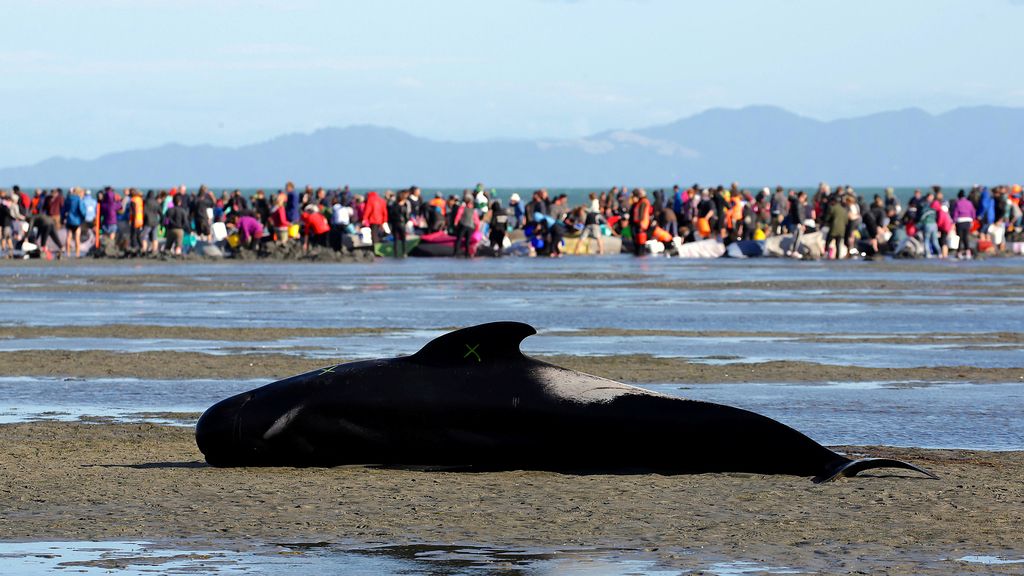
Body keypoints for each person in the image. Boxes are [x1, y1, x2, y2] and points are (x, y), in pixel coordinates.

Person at [387, 190, 411, 257]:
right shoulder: (403, 206)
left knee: (396, 239)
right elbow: (406, 216)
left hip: (395, 223)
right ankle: (404, 252)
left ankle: (396, 253)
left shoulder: (394, 205)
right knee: (403, 239)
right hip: (401, 223)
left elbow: (391, 215)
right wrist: (405, 221)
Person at [630, 188, 652, 255]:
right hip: (641, 222)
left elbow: (641, 213)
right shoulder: (641, 201)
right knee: (638, 238)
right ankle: (639, 252)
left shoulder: (643, 201)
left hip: (641, 223)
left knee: (640, 239)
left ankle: (640, 253)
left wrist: (640, 223)